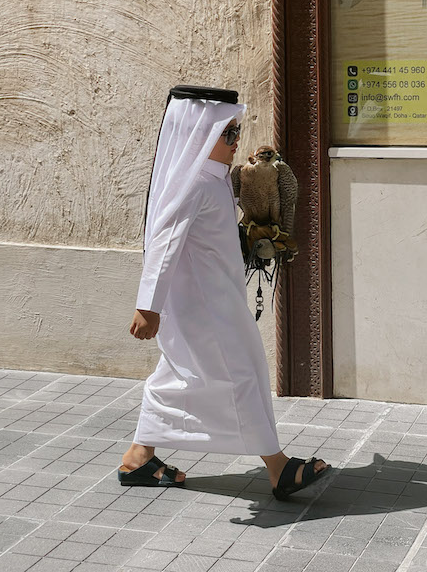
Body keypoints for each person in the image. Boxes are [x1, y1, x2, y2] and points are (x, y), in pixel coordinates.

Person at [118, 86, 328, 500]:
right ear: (197, 134)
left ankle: (139, 456)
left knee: (177, 374)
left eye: (236, 132)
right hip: (204, 306)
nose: (236, 143)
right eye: (226, 134)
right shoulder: (193, 182)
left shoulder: (211, 179)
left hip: (216, 298)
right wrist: (149, 306)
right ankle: (278, 467)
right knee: (243, 373)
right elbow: (163, 244)